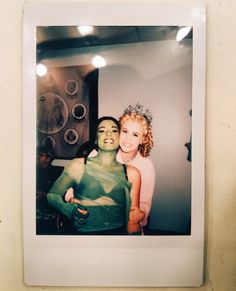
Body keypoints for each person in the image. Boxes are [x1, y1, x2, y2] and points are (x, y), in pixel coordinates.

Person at [47, 116, 144, 235]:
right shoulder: (78, 165)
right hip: (85, 239)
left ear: (119, 137)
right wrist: (69, 210)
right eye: (102, 130)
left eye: (114, 130)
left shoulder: (132, 173)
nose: (108, 133)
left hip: (118, 238)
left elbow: (132, 219)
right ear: (96, 139)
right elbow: (52, 195)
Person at [117, 103, 155, 228]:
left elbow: (144, 204)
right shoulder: (99, 153)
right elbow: (74, 187)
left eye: (135, 135)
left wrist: (141, 214)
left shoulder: (146, 166)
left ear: (143, 139)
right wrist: (72, 199)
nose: (128, 139)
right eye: (125, 131)